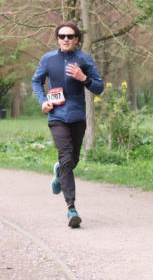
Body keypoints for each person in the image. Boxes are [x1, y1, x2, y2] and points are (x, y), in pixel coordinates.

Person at [31, 22, 105, 228]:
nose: (66, 39)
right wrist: (43, 101)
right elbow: (36, 81)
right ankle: (71, 208)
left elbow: (99, 88)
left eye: (70, 36)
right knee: (65, 158)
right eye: (62, 36)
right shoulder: (48, 59)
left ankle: (59, 172)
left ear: (77, 40)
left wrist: (84, 78)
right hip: (57, 116)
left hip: (78, 116)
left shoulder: (84, 59)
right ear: (57, 39)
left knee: (73, 160)